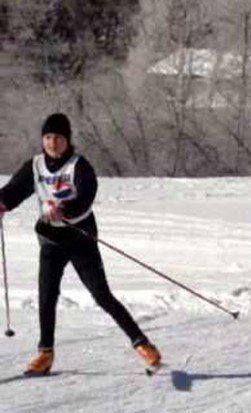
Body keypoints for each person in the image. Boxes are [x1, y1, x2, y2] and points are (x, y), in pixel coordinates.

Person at [0, 113, 161, 375]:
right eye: (48, 137)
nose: (53, 143)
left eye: (59, 138)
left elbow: (86, 196)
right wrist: (3, 203)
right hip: (51, 239)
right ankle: (45, 354)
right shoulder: (35, 165)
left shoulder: (79, 166)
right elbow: (14, 190)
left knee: (101, 295)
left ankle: (142, 344)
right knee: (46, 296)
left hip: (80, 239)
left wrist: (65, 208)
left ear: (68, 140)